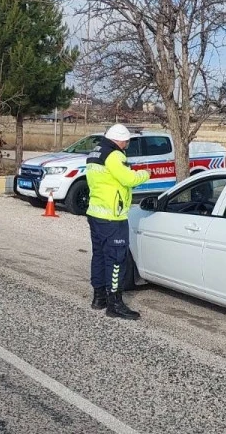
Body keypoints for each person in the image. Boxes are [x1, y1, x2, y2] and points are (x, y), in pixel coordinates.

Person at [86, 124, 150, 320]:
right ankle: (115, 304)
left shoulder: (95, 153)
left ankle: (99, 298)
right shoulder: (114, 156)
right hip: (113, 217)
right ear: (121, 140)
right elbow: (128, 179)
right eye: (127, 141)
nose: (127, 145)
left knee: (99, 256)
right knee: (116, 260)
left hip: (96, 213)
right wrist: (146, 174)